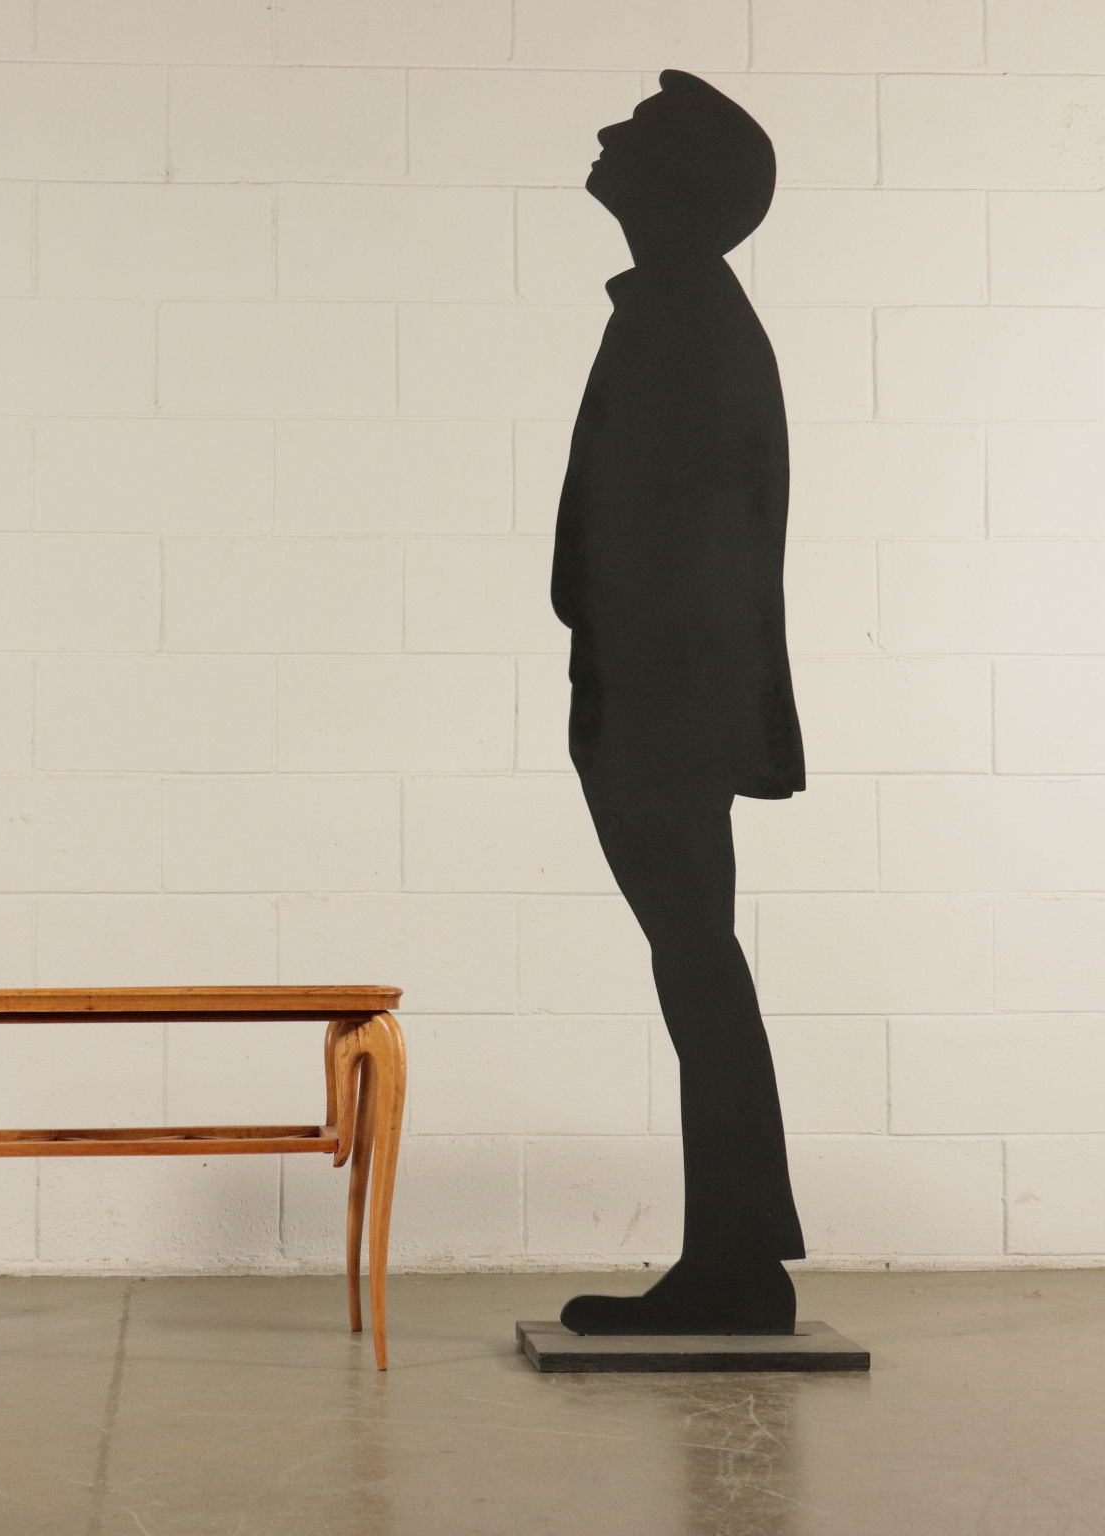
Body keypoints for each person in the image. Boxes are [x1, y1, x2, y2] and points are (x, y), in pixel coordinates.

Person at [552, 69, 806, 1335]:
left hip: (664, 707)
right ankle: (739, 1256)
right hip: (660, 701)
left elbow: (694, 549)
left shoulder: (687, 321)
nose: (610, 134)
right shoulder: (681, 312)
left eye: (640, 132)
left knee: (698, 963)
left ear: (682, 185)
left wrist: (639, 695)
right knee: (698, 962)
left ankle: (739, 1264)